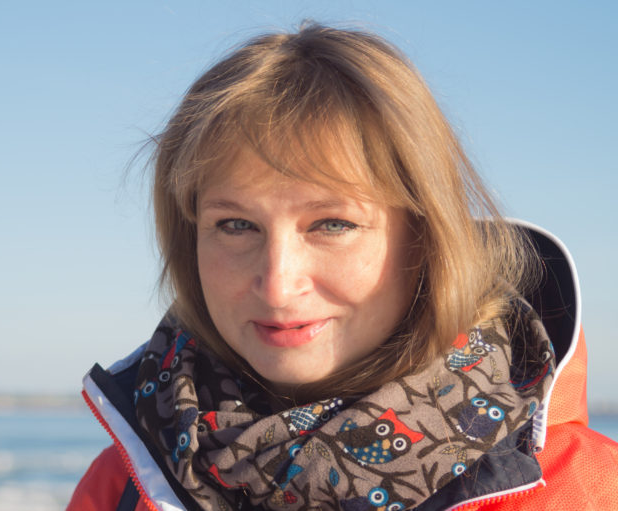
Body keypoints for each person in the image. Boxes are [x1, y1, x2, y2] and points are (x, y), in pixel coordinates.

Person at [68, 23, 618, 511]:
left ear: (426, 239)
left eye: (332, 224)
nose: (279, 286)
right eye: (236, 225)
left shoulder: (587, 492)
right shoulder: (125, 483)